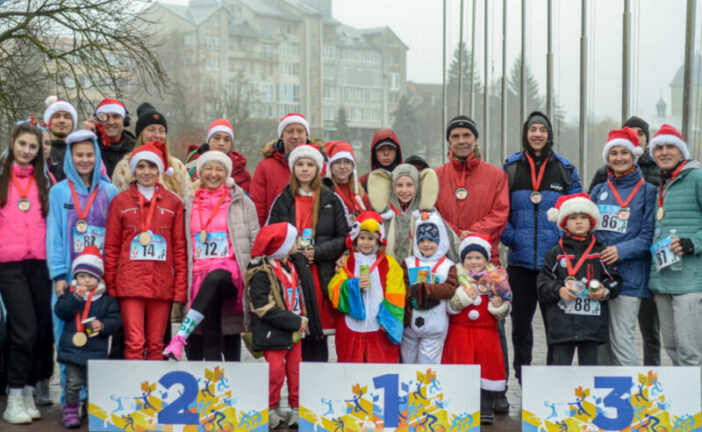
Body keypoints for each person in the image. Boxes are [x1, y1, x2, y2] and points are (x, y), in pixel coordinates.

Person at [501, 111, 581, 382]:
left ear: (549, 134)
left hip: (554, 266)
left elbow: (577, 212)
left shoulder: (566, 170)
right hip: (519, 264)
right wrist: (511, 238)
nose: (537, 134)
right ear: (525, 133)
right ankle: (523, 378)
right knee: (521, 327)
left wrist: (562, 246)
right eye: (532, 129)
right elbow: (501, 210)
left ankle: (553, 380)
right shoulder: (511, 168)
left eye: (542, 130)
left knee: (556, 327)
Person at [162, 151, 259, 361]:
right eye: (208, 168)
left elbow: (255, 242)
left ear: (227, 173)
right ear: (199, 172)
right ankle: (213, 371)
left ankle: (181, 336)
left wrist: (254, 275)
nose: (213, 174)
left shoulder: (241, 202)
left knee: (215, 278)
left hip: (231, 274)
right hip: (197, 273)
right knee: (210, 298)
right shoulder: (187, 204)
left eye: (219, 169)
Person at [46, 129, 119, 409]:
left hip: (100, 281)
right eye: (79, 155)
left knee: (96, 338)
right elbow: (53, 235)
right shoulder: (59, 192)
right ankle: (70, 400)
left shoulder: (109, 191)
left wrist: (110, 276)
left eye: (90, 154)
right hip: (69, 279)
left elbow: (114, 237)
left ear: (97, 156)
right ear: (70, 158)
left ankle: (94, 401)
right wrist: (57, 276)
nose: (84, 160)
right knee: (66, 336)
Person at [588, 115, 661, 366]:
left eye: (624, 153)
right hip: (600, 275)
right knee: (601, 341)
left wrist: (621, 250)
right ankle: (604, 398)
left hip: (630, 279)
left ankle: (633, 397)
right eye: (614, 153)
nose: (619, 158)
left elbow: (648, 236)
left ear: (635, 155)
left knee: (621, 340)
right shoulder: (599, 190)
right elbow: (590, 232)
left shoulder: (648, 192)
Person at [103, 141, 187, 360]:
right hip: (130, 283)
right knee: (134, 342)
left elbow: (179, 248)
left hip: (161, 284)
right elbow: (111, 246)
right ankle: (134, 392)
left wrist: (179, 288)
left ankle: (152, 393)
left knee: (156, 344)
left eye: (151, 166)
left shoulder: (173, 203)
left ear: (159, 169)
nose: (146, 172)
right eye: (141, 167)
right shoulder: (120, 201)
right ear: (133, 170)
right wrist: (111, 284)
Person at [267, 144, 349, 361]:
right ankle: (295, 388)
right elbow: (271, 236)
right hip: (291, 275)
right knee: (295, 332)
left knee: (317, 333)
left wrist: (318, 252)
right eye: (300, 164)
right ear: (293, 168)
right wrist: (291, 252)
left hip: (319, 274)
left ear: (318, 168)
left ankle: (316, 385)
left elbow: (345, 238)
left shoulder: (331, 199)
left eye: (310, 164)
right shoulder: (282, 200)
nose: (305, 169)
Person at [0, 123, 53, 424]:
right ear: (12, 143)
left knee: (41, 330)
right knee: (24, 330)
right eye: (22, 144)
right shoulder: (1, 177)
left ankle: (30, 389)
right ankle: (14, 396)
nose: (27, 151)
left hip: (40, 263)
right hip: (8, 264)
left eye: (33, 147)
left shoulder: (44, 181)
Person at [245, 222, 323, 429]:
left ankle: (297, 407)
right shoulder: (261, 272)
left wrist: (304, 320)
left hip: (296, 329)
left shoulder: (294, 264)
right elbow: (262, 307)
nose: (296, 244)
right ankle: (270, 408)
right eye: (292, 241)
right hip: (276, 331)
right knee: (275, 372)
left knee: (296, 370)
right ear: (281, 247)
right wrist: (294, 321)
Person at [538, 193, 621, 365]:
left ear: (591, 221)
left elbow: (615, 280)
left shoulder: (600, 252)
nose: (578, 221)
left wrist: (604, 291)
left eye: (584, 217)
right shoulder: (555, 253)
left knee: (588, 373)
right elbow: (542, 284)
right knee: (560, 370)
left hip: (591, 326)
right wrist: (558, 290)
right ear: (564, 223)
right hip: (562, 325)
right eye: (573, 217)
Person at [647, 124, 702, 366]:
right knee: (671, 345)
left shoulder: (696, 177)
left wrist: (693, 243)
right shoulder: (663, 181)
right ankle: (685, 400)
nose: (664, 152)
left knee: (690, 350)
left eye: (670, 147)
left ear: (682, 151)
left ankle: (695, 401)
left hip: (690, 281)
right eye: (659, 148)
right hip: (664, 280)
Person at [442, 233, 511, 425]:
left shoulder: (496, 277)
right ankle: (460, 405)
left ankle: (486, 408)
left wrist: (498, 306)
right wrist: (461, 298)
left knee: (487, 370)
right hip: (460, 331)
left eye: (478, 258)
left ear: (485, 259)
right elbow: (448, 307)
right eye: (469, 258)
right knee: (460, 367)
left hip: (486, 333)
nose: (473, 262)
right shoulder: (455, 275)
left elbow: (506, 308)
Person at [54, 246, 121, 429]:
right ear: (75, 278)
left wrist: (103, 325)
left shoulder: (106, 299)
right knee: (73, 383)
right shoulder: (69, 295)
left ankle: (93, 412)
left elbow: (116, 320)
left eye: (90, 277)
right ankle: (70, 411)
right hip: (73, 349)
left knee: (95, 384)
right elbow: (61, 312)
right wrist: (75, 298)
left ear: (98, 278)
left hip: (95, 350)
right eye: (82, 276)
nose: (86, 280)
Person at [328, 211, 405, 362]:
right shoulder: (346, 262)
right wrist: (353, 286)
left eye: (371, 239)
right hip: (351, 328)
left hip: (379, 327)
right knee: (351, 375)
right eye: (362, 238)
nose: (366, 242)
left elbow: (396, 293)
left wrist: (388, 320)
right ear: (356, 239)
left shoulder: (390, 263)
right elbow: (333, 289)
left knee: (379, 374)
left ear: (378, 241)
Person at [368, 163, 459, 263]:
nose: (404, 190)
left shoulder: (427, 213)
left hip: (418, 271)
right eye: (399, 185)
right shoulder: (385, 214)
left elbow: (449, 239)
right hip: (389, 272)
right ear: (392, 186)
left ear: (417, 185)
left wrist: (458, 263)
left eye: (409, 185)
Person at [401, 211, 457, 364]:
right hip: (410, 326)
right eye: (422, 240)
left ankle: (424, 388)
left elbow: (451, 288)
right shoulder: (409, 262)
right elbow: (402, 284)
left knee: (428, 366)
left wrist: (429, 290)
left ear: (441, 240)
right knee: (407, 361)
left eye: (431, 240)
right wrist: (410, 292)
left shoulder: (448, 266)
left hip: (434, 326)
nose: (426, 245)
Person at [111, 103, 193, 200]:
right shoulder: (125, 166)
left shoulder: (176, 166)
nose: (157, 135)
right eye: (151, 130)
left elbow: (189, 201)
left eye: (161, 131)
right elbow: (118, 204)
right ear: (141, 134)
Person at [251, 113, 311, 226]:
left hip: (311, 236)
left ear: (306, 135)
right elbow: (258, 208)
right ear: (281, 135)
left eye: (300, 131)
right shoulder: (265, 167)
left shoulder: (319, 167)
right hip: (277, 234)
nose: (295, 136)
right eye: (289, 131)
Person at [588, 116, 660, 191]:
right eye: (631, 133)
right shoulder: (604, 173)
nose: (636, 138)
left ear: (647, 141)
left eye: (640, 134)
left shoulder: (658, 170)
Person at [184, 119, 251, 193]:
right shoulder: (190, 169)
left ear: (231, 144)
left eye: (226, 139)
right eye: (217, 138)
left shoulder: (242, 174)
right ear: (208, 141)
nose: (221, 143)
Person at [81, 98, 137, 178]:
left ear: (124, 121)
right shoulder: (90, 145)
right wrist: (83, 137)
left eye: (116, 116)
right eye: (105, 117)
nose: (111, 122)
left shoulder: (135, 148)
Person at [323, 141, 370, 219]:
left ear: (353, 166)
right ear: (330, 166)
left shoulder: (362, 196)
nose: (342, 167)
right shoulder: (324, 193)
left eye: (347, 162)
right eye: (337, 162)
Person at [44, 96, 78, 181]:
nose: (62, 120)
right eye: (56, 116)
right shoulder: (37, 149)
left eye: (67, 117)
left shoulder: (79, 152)